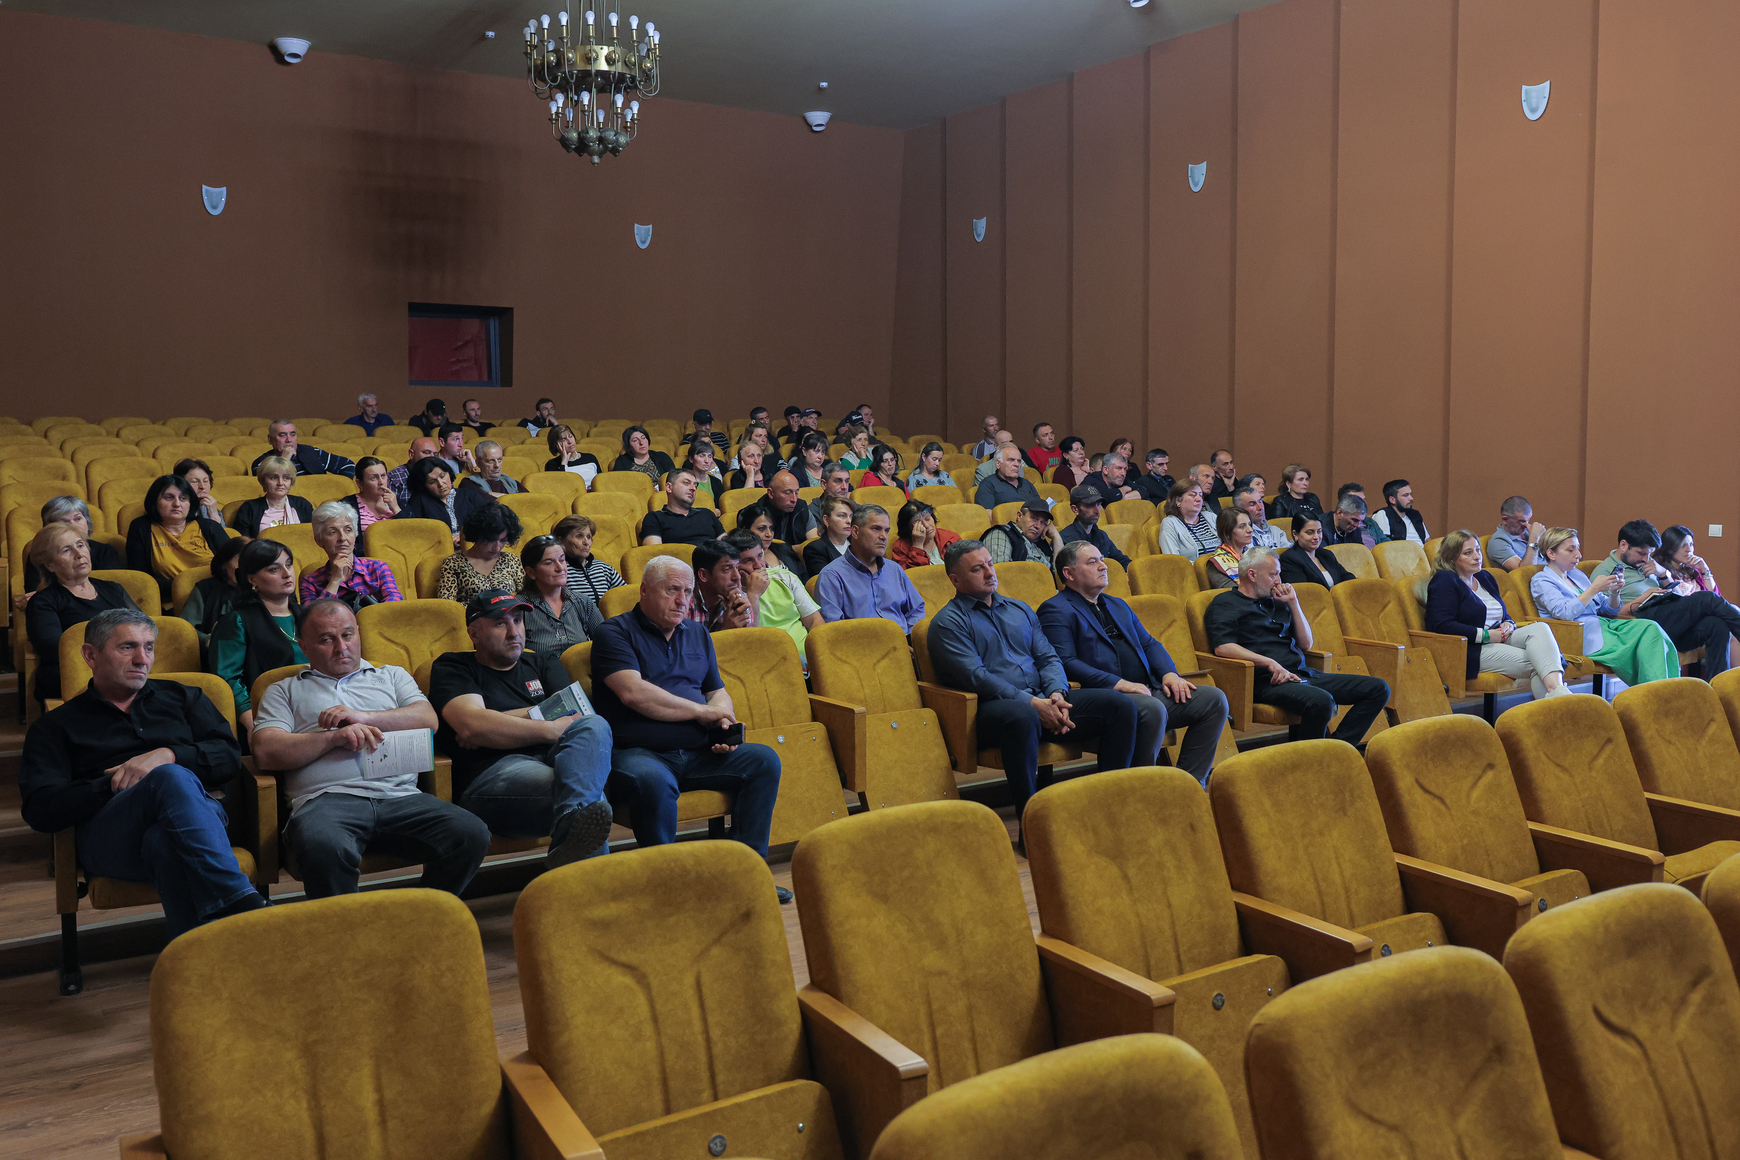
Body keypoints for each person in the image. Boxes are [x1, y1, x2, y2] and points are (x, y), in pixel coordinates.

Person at [20, 609, 267, 936]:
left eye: (148, 647)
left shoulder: (184, 697)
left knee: (164, 840)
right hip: (111, 840)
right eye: (127, 647)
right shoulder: (55, 726)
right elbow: (40, 809)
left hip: (198, 826)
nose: (142, 659)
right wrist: (115, 784)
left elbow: (228, 757)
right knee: (168, 778)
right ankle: (238, 899)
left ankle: (195, 959)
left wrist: (168, 754)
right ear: (90, 655)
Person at [250, 599, 491, 898]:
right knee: (324, 845)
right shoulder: (284, 690)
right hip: (327, 801)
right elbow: (265, 750)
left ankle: (422, 913)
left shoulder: (392, 675)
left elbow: (428, 720)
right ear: (304, 646)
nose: (341, 648)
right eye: (326, 640)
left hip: (401, 797)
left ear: (359, 633)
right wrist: (333, 738)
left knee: (472, 834)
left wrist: (362, 717)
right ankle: (346, 926)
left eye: (347, 635)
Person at [590, 556, 783, 875]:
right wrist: (704, 712)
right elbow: (633, 693)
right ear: (645, 590)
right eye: (673, 590)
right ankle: (669, 882)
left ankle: (747, 874)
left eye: (688, 591)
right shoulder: (614, 632)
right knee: (652, 780)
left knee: (764, 760)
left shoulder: (697, 633)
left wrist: (723, 718)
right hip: (639, 753)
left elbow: (716, 690)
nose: (683, 600)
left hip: (699, 751)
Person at [928, 541, 1138, 818]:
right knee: (1022, 716)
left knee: (1119, 706)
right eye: (978, 569)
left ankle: (1111, 808)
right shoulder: (948, 623)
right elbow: (977, 677)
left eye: (990, 564)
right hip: (989, 711)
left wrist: (1057, 695)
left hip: (1043, 699)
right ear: (955, 580)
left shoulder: (1020, 609)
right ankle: (1031, 821)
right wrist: (1033, 704)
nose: (990, 573)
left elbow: (1048, 658)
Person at [430, 590, 617, 869]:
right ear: (474, 633)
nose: (514, 632)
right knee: (589, 797)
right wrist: (551, 728)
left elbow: (577, 717)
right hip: (493, 776)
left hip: (555, 761)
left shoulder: (543, 662)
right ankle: (590, 885)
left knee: (595, 725)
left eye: (517, 620)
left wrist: (494, 722)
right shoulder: (454, 666)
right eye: (500, 623)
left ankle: (570, 841)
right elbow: (472, 725)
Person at [1040, 541, 1228, 783]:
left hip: (1147, 689)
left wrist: (1169, 674)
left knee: (1213, 700)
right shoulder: (1055, 609)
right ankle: (1141, 788)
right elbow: (1065, 661)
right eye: (1092, 562)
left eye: (1102, 559)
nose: (1103, 566)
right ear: (1068, 573)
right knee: (1151, 708)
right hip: (1107, 699)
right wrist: (1120, 684)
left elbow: (1149, 644)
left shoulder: (1117, 604)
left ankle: (1187, 785)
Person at [1203, 547, 1390, 742]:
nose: (1279, 580)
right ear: (1252, 574)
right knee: (1321, 701)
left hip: (1302, 674)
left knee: (1378, 689)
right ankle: (1313, 756)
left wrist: (1293, 603)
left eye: (1279, 574)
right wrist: (1269, 663)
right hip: (1266, 681)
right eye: (1273, 575)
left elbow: (1306, 643)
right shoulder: (1225, 603)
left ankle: (1336, 748)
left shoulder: (1278, 601)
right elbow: (1223, 647)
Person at [1426, 531, 1570, 699]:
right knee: (1542, 662)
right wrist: (1485, 635)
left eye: (1478, 550)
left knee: (1540, 628)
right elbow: (1441, 624)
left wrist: (1509, 624)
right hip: (1470, 648)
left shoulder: (1484, 577)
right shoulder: (1444, 580)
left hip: (1499, 637)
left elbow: (1502, 614)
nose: (1477, 556)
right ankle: (1559, 699)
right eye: (1468, 553)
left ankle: (1556, 694)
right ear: (1452, 558)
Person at [1531, 527, 1676, 694]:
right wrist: (1593, 589)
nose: (1578, 555)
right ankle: (1657, 695)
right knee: (1644, 645)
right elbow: (1563, 613)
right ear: (1551, 554)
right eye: (1571, 550)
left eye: (1578, 548)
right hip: (1577, 634)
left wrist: (1614, 592)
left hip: (1603, 625)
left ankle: (1669, 691)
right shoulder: (1542, 580)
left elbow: (1609, 610)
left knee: (1651, 628)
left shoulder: (1576, 575)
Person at [1589, 520, 1740, 679]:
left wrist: (1663, 574)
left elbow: (1678, 595)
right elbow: (1606, 614)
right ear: (1623, 545)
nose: (1646, 558)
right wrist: (1641, 599)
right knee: (1707, 598)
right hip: (1644, 621)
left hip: (1668, 616)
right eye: (1641, 553)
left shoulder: (1647, 564)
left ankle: (1718, 686)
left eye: (1649, 553)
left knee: (1717, 625)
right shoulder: (1605, 572)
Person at [25, 522, 140, 704]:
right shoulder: (43, 602)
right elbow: (55, 649)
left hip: (126, 667)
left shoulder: (114, 589)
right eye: (66, 550)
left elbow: (144, 628)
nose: (79, 554)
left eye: (80, 545)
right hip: (76, 677)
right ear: (49, 565)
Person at [211, 538, 306, 736]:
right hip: (270, 717)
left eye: (289, 565)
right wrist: (252, 722)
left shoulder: (308, 615)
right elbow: (227, 679)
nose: (287, 573)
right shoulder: (237, 620)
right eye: (274, 569)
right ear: (252, 579)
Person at [126, 474, 232, 603]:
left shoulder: (209, 527)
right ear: (154, 501)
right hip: (170, 600)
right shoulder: (141, 528)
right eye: (169, 497)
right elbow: (142, 579)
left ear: (190, 503)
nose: (177, 504)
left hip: (217, 597)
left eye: (183, 498)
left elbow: (234, 565)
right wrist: (184, 588)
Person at [816, 504, 925, 630]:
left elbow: (916, 611)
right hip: (862, 641)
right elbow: (834, 629)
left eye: (886, 530)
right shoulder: (831, 576)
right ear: (855, 531)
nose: (883, 536)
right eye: (876, 529)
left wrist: (910, 636)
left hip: (903, 639)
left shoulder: (895, 569)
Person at [727, 528, 821, 653]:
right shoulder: (730, 594)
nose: (759, 565)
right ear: (734, 564)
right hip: (768, 659)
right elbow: (748, 639)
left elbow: (815, 621)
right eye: (748, 560)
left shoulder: (785, 577)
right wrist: (754, 595)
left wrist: (818, 655)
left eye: (760, 556)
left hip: (805, 655)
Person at [299, 501, 403, 607]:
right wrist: (335, 581)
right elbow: (314, 615)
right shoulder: (310, 582)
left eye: (348, 530)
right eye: (333, 532)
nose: (342, 538)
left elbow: (394, 605)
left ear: (355, 535)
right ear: (319, 541)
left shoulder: (378, 568)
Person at [519, 534, 603, 655]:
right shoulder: (519, 607)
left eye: (562, 560)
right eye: (549, 563)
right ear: (531, 572)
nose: (560, 568)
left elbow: (606, 643)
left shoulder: (583, 602)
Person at [22, 496, 121, 592]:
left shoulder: (106, 551)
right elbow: (33, 591)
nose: (73, 525)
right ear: (51, 529)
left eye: (77, 519)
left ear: (87, 521)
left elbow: (111, 590)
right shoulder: (43, 554)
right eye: (64, 522)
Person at [436, 502, 525, 604]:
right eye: (490, 540)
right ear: (478, 535)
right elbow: (447, 606)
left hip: (509, 613)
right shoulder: (453, 563)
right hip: (470, 614)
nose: (497, 548)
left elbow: (526, 597)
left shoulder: (512, 560)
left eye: (502, 540)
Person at [398, 457, 495, 545]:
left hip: (474, 548)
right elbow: (415, 533)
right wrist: (447, 539)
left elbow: (488, 525)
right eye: (432, 482)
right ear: (423, 486)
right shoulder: (419, 501)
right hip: (439, 550)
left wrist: (464, 537)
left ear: (449, 473)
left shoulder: (470, 496)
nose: (441, 484)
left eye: (442, 476)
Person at [177, 537, 247, 648]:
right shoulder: (205, 588)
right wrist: (208, 640)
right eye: (241, 561)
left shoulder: (261, 588)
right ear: (224, 563)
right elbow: (185, 628)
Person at [230, 455, 313, 538]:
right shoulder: (249, 508)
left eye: (286, 478)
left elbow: (312, 537)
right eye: (274, 478)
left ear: (291, 482)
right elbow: (242, 543)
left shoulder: (302, 505)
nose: (280, 483)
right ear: (263, 481)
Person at [640, 468, 726, 546]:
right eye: (686, 483)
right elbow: (654, 553)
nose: (693, 488)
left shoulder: (707, 514)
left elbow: (727, 546)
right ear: (669, 487)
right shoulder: (655, 518)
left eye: (695, 485)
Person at [553, 515, 624, 605]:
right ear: (560, 541)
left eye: (589, 537)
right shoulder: (558, 571)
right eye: (579, 536)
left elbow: (625, 600)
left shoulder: (605, 569)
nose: (586, 542)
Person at [251, 420, 356, 479]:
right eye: (282, 435)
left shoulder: (313, 453)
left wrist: (335, 487)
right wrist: (284, 460)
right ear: (270, 439)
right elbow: (271, 484)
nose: (289, 439)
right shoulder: (261, 463)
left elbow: (348, 465)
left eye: (293, 434)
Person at [689, 539, 755, 630]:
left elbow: (748, 638)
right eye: (727, 569)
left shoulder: (740, 601)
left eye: (737, 568)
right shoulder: (683, 603)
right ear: (703, 575)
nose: (737, 576)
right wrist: (726, 632)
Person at [1059, 486, 1130, 569]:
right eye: (1090, 505)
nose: (1097, 511)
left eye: (1099, 504)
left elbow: (1123, 560)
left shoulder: (1102, 535)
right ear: (1075, 509)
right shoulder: (1065, 538)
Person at [1280, 516, 1357, 589]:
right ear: (1295, 534)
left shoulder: (1326, 554)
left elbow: (1348, 578)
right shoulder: (1289, 559)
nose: (1316, 537)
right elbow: (1304, 592)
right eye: (1310, 532)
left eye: (1319, 531)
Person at [737, 501, 807, 576]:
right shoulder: (738, 559)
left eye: (771, 528)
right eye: (761, 529)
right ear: (745, 530)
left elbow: (803, 578)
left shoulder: (784, 550)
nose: (769, 534)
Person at [985, 498, 1063, 566]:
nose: (1037, 526)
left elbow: (1060, 573)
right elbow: (1001, 573)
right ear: (1019, 516)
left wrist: (1057, 538)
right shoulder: (1001, 534)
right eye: (1034, 519)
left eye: (1043, 522)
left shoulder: (1041, 544)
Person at [1159, 480, 1219, 560]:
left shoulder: (1211, 517)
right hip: (1193, 568)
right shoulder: (1170, 523)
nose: (1199, 499)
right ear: (1178, 500)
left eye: (1200, 495)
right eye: (1193, 495)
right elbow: (1174, 561)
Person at [890, 499, 960, 568]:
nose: (926, 525)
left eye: (927, 518)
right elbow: (911, 573)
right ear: (908, 528)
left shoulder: (950, 538)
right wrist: (917, 545)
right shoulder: (900, 548)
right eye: (918, 522)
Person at [1656, 525, 1723, 594]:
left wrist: (1704, 569)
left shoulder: (1693, 570)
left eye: (1691, 544)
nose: (1689, 550)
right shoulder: (1661, 573)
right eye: (1683, 545)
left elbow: (1715, 596)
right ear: (1670, 548)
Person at [976, 444, 1044, 509]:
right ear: (998, 464)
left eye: (1019, 461)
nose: (1017, 464)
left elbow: (1039, 509)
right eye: (1011, 460)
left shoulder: (1026, 483)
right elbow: (988, 514)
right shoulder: (988, 484)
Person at [760, 471, 817, 547]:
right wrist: (795, 549)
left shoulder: (801, 509)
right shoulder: (756, 514)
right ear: (771, 493)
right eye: (787, 493)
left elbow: (815, 543)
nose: (794, 499)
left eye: (796, 492)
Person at [1489, 497, 1546, 571]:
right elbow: (1525, 572)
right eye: (1521, 521)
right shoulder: (1498, 542)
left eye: (1528, 519)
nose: (1526, 525)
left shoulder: (1527, 532)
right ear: (1505, 520)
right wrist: (1533, 540)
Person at [1203, 507, 1253, 590]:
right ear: (1227, 532)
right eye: (1242, 526)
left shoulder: (1253, 554)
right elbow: (1233, 593)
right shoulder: (1217, 562)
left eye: (1249, 524)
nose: (1250, 530)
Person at [803, 494, 854, 577]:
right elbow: (826, 580)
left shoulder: (860, 545)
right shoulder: (815, 549)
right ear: (826, 520)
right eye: (842, 516)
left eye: (851, 516)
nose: (849, 521)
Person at [1370, 479, 1428, 545]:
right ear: (1392, 500)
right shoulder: (1383, 514)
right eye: (1405, 495)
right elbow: (1384, 545)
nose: (1411, 498)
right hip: (1401, 551)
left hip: (1422, 551)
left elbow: (1427, 540)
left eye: (1410, 494)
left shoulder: (1415, 514)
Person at [387, 438, 441, 506]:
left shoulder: (442, 474)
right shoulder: (394, 477)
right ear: (411, 454)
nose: (432, 457)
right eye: (427, 452)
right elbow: (388, 508)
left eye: (435, 454)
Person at [172, 458, 225, 525]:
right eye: (195, 481)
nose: (202, 486)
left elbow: (224, 532)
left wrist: (214, 516)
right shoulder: (174, 509)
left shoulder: (211, 509)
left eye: (205, 481)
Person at [1233, 486, 1282, 550]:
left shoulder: (1277, 532)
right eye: (1252, 504)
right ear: (1240, 509)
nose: (1260, 507)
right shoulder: (1243, 537)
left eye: (1260, 501)